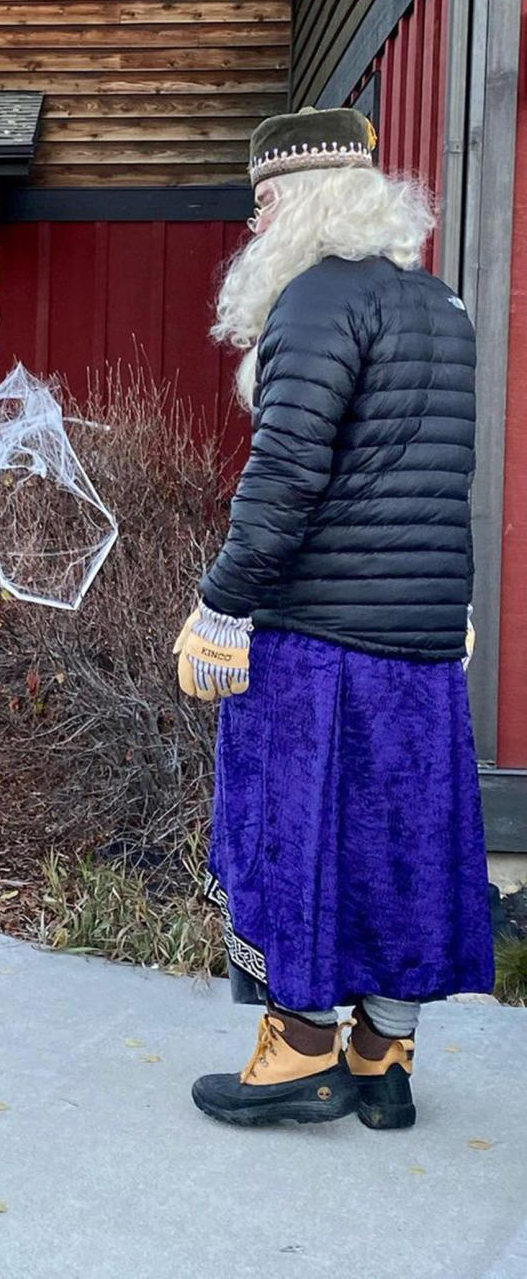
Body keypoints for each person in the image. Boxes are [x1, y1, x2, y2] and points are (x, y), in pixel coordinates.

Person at [176, 107, 493, 1131]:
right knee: (403, 842)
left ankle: (300, 1050)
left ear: (304, 197)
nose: (257, 218)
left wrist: (219, 605)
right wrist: (463, 606)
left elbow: (283, 480)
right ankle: (384, 1059)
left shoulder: (316, 299)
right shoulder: (441, 304)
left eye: (265, 198)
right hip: (421, 637)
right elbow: (445, 479)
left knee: (293, 836)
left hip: (318, 637)